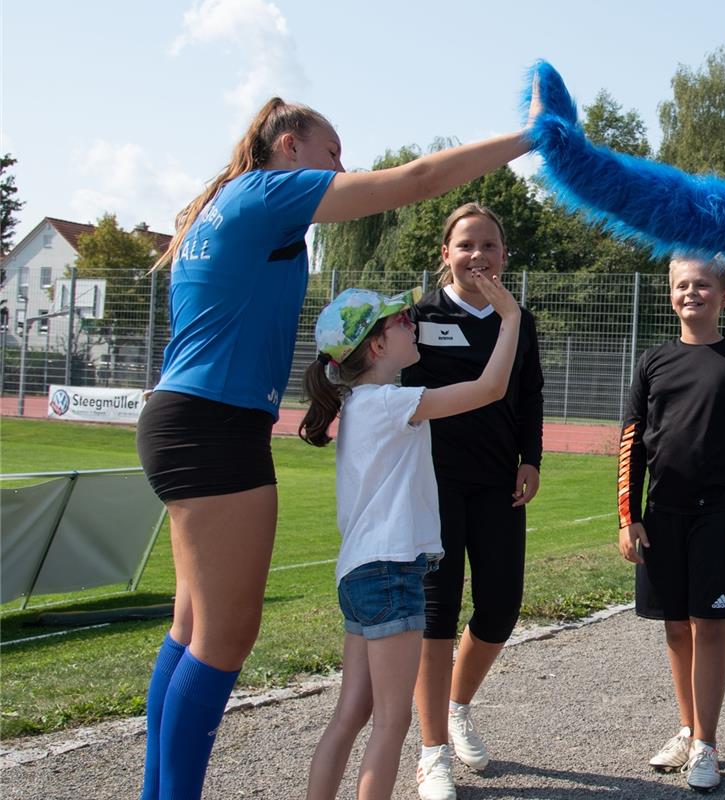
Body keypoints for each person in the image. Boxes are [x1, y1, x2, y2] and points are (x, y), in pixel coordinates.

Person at [134, 90, 539, 800]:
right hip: (214, 425)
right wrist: (528, 139)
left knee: (192, 628)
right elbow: (416, 181)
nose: (341, 170)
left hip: (185, 417)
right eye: (332, 154)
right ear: (289, 147)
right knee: (224, 639)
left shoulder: (219, 204)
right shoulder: (264, 192)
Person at [299, 276, 521, 800]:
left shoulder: (361, 404)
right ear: (377, 345)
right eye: (400, 321)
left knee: (352, 712)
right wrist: (509, 319)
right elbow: (489, 389)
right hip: (392, 573)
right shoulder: (390, 402)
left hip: (358, 574)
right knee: (392, 723)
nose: (411, 323)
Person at [401, 203, 544, 800]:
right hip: (432, 487)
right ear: (445, 254)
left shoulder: (519, 320)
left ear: (504, 255)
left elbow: (528, 394)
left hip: (496, 485)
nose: (478, 256)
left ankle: (457, 706)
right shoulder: (416, 317)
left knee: (500, 608)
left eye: (489, 245)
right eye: (466, 245)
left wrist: (530, 458)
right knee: (435, 618)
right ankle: (432, 753)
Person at [617, 255, 725, 792]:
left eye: (703, 285)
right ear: (670, 294)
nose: (692, 293)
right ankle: (687, 728)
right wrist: (628, 517)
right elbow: (630, 444)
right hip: (663, 516)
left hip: (722, 516)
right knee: (675, 626)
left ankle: (707, 743)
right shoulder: (652, 363)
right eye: (682, 285)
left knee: (709, 626)